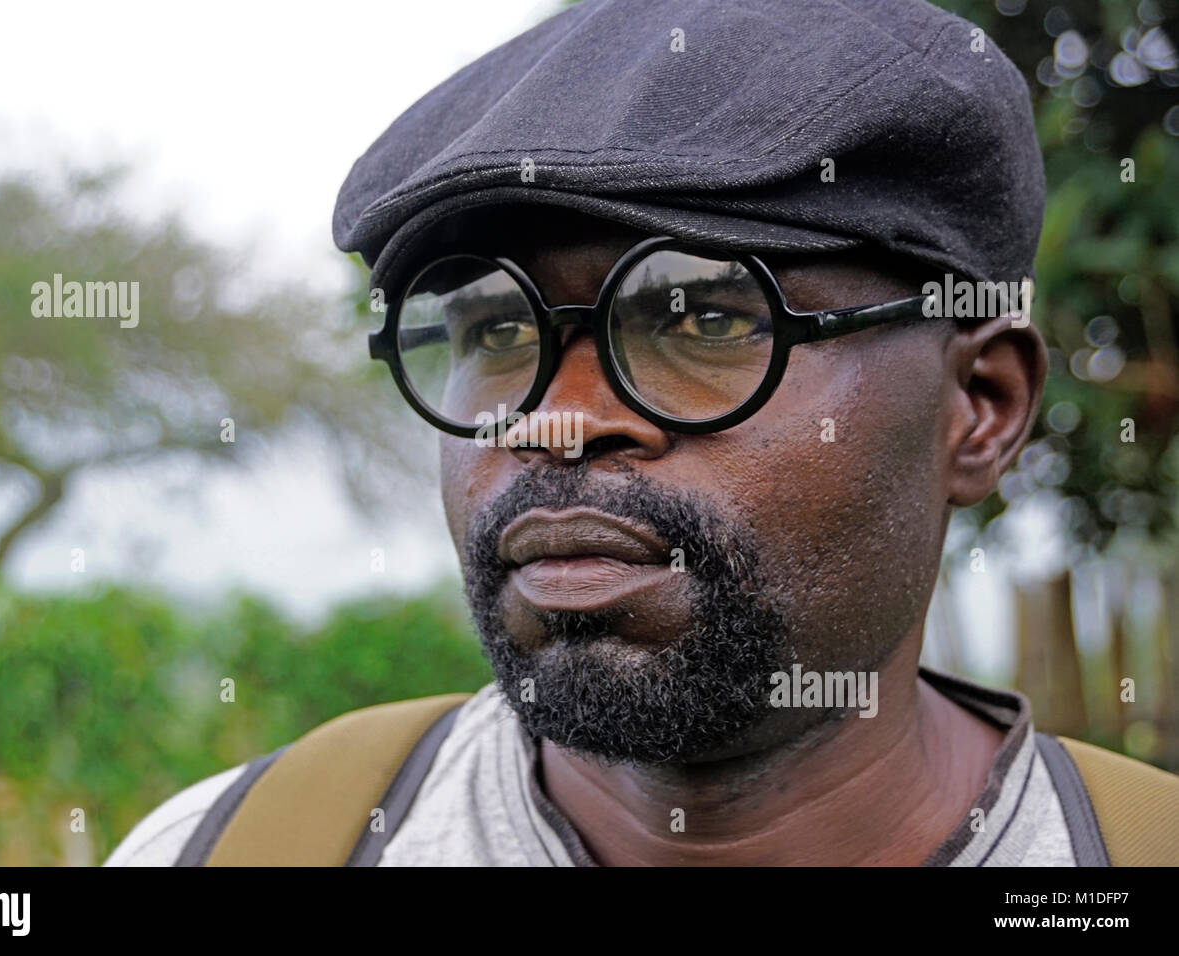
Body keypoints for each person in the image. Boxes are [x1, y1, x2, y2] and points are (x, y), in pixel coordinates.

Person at [107, 0, 1179, 867]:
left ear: (978, 406)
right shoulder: (238, 845)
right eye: (497, 325)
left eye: (704, 318)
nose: (559, 417)